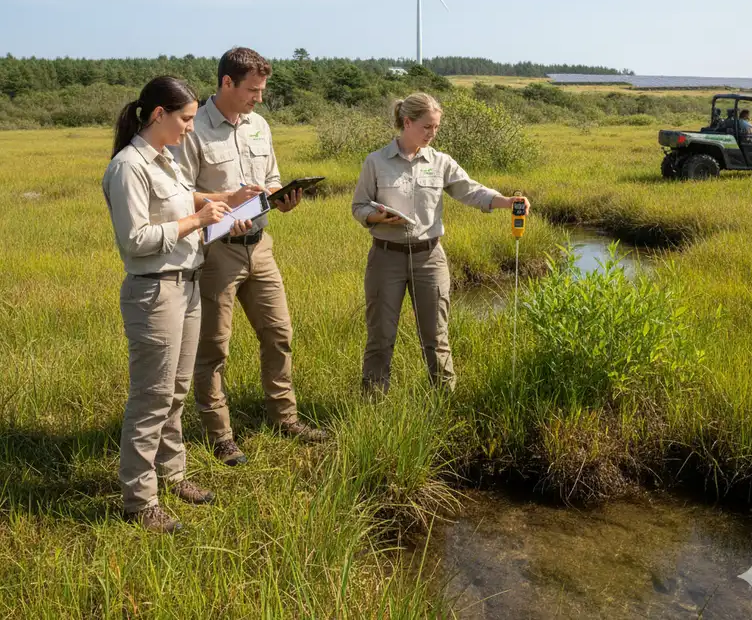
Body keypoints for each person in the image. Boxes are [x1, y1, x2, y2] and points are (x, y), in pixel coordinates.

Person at [179, 46, 327, 467]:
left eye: (262, 91)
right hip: (216, 251)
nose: (259, 99)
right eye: (252, 90)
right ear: (227, 83)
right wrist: (228, 198)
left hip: (260, 247)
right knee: (214, 347)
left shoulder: (259, 126)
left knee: (279, 334)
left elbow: (271, 179)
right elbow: (178, 194)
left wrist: (282, 197)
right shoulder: (192, 128)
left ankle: (285, 419)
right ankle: (220, 436)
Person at [103, 76, 239, 533]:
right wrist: (197, 220)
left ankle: (173, 474)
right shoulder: (128, 167)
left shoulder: (169, 159)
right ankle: (140, 501)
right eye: (185, 118)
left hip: (187, 287)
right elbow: (136, 239)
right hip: (154, 293)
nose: (190, 127)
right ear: (159, 114)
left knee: (176, 390)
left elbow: (186, 202)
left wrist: (227, 204)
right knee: (152, 397)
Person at [351, 92, 531, 394]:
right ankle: (373, 403)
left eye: (436, 127)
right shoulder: (376, 162)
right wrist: (376, 217)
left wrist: (506, 201)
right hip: (386, 258)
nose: (432, 133)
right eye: (427, 127)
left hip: (429, 258)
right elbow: (359, 206)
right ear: (407, 122)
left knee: (436, 336)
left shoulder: (440, 162)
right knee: (380, 336)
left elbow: (471, 191)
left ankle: (444, 399)